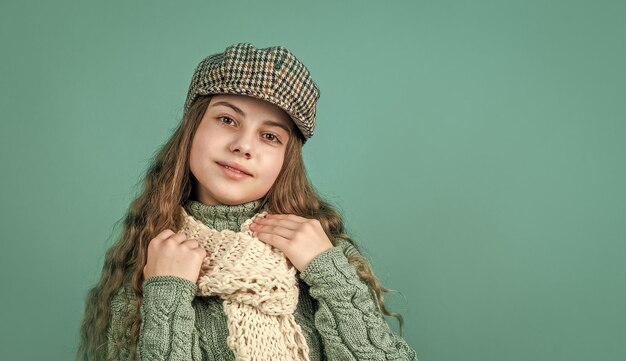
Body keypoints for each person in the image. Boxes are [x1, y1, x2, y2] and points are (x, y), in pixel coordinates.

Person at [77, 42, 418, 361]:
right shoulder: (150, 268)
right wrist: (166, 294)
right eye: (227, 120)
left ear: (286, 160)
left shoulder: (323, 254)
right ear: (192, 129)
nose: (243, 146)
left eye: (269, 136)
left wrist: (327, 271)